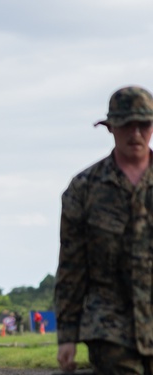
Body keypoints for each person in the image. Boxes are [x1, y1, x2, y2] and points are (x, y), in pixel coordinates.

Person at [55, 86, 153, 374]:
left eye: (143, 125)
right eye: (125, 125)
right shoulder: (84, 188)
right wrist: (67, 335)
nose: (134, 133)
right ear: (110, 128)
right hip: (109, 325)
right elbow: (72, 266)